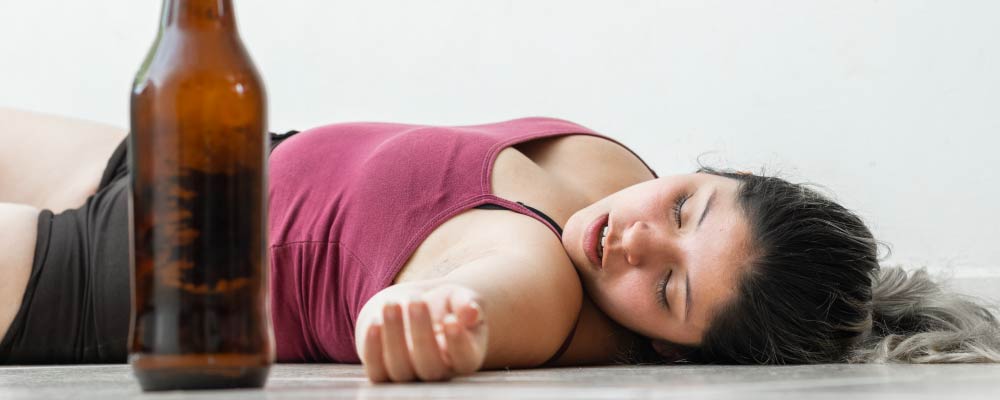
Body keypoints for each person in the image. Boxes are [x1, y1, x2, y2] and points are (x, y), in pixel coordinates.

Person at [1, 108, 997, 382]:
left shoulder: (543, 291)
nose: (634, 244)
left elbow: (472, 304)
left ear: (667, 350)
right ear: (710, 172)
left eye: (669, 292)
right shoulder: (610, 171)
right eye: (688, 210)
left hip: (127, 270)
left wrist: (434, 321)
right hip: (204, 150)